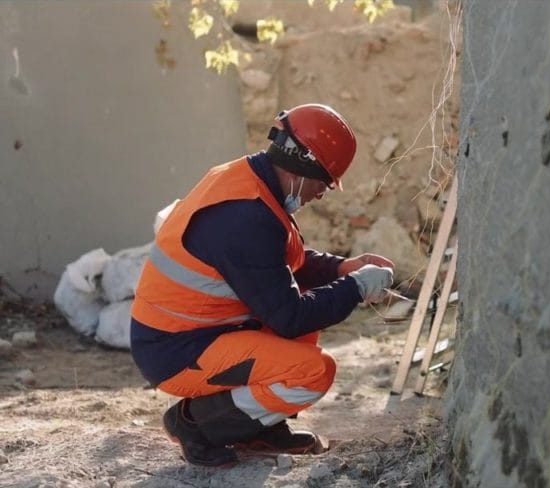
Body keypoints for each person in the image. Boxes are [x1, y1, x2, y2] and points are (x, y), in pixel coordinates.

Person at [130, 103, 395, 467]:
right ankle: (195, 425)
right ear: (305, 167)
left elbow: (276, 265)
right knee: (313, 371)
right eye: (324, 183)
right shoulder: (246, 218)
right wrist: (356, 287)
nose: (320, 194)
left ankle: (257, 427)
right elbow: (290, 316)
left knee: (302, 339)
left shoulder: (249, 184)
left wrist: (343, 268)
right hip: (177, 352)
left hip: (192, 334)